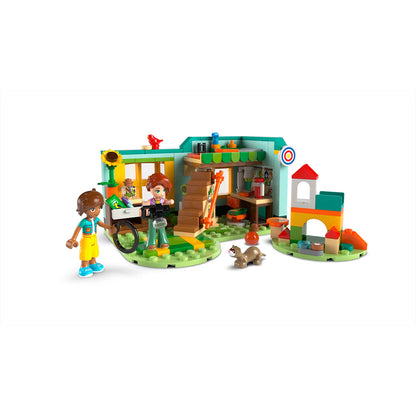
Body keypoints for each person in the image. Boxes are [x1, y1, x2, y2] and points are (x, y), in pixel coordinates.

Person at [66, 188, 116, 277]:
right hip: (86, 239)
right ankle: (84, 266)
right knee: (86, 252)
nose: (97, 211)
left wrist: (110, 228)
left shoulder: (96, 219)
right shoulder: (84, 222)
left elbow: (101, 224)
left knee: (94, 251)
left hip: (94, 238)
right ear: (84, 209)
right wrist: (73, 239)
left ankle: (93, 263)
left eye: (99, 208)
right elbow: (77, 230)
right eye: (92, 209)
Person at [139, 173, 174, 249]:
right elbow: (146, 204)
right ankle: (151, 242)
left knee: (162, 227)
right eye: (157, 191)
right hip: (152, 216)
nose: (161, 193)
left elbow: (167, 201)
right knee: (152, 229)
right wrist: (144, 207)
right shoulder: (151, 200)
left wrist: (169, 201)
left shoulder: (163, 200)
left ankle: (163, 241)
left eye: (164, 190)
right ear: (150, 189)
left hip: (161, 215)